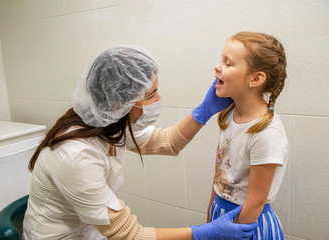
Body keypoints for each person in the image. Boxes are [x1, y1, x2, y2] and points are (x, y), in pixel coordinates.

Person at [22, 45, 258, 240]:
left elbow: (166, 142)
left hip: (90, 232)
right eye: (151, 95)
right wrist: (203, 233)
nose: (159, 99)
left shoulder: (109, 124)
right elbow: (129, 235)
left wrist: (201, 113)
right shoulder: (74, 156)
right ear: (119, 104)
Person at [206, 32, 288, 239]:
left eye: (228, 63)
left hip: (248, 224)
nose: (217, 67)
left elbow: (255, 202)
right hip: (221, 214)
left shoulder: (266, 133)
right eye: (220, 60)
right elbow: (219, 176)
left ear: (256, 78)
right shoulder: (228, 115)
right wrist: (209, 223)